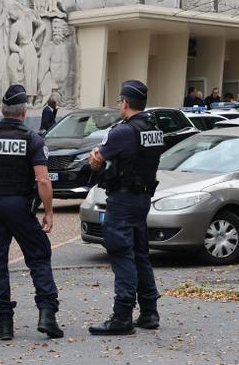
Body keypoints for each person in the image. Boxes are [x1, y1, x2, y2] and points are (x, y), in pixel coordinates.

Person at [0, 84, 63, 341]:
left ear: (2, 111)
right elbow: (43, 181)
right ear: (24, 113)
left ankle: (5, 323)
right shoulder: (32, 139)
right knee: (38, 256)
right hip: (19, 206)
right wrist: (49, 211)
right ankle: (47, 314)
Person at [87, 80, 163, 336]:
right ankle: (149, 311)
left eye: (120, 101)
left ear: (125, 103)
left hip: (123, 199)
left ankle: (122, 316)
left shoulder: (123, 131)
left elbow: (97, 159)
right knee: (140, 252)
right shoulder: (153, 128)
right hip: (142, 199)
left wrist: (97, 154)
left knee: (121, 253)